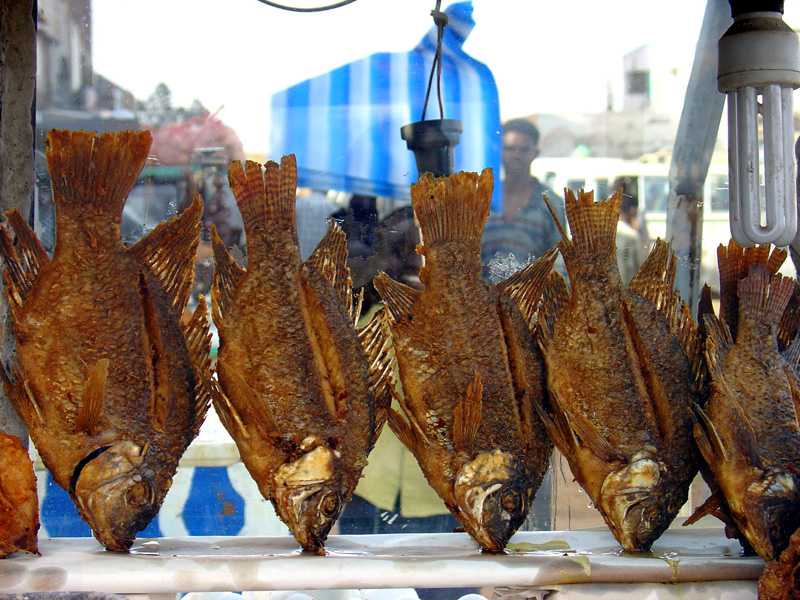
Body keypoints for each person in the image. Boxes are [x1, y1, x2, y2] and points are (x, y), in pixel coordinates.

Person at [481, 119, 566, 271]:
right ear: (500, 151)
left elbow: (560, 262)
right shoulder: (482, 199)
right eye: (510, 148)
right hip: (480, 293)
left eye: (524, 149)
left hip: (533, 293)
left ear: (535, 153)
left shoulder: (550, 203)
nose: (516, 155)